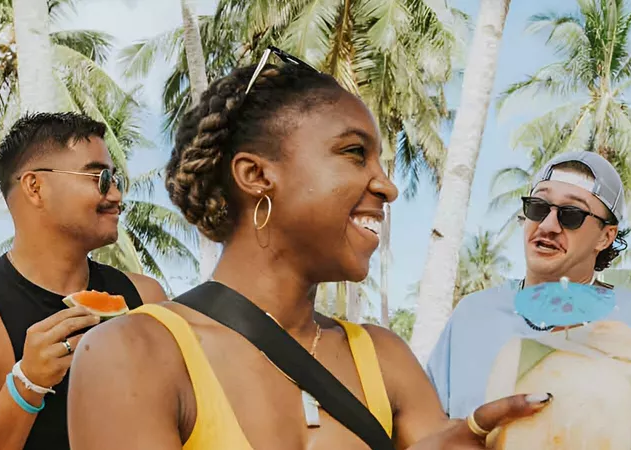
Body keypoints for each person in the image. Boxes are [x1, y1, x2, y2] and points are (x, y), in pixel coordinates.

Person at [67, 46, 546, 450]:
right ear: (256, 176)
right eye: (355, 153)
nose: (387, 186)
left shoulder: (384, 359)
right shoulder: (135, 353)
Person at [0, 112, 170, 449]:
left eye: (116, 180)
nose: (117, 196)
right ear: (35, 187)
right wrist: (27, 385)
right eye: (100, 178)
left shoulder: (146, 297)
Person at [423, 151, 631, 417]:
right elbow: (427, 429)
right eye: (538, 208)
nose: (548, 225)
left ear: (605, 236)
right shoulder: (472, 315)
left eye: (572, 214)